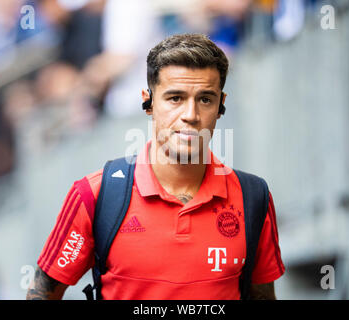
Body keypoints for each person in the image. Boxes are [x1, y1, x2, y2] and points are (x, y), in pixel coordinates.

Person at [26, 33, 285, 300]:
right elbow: (42, 294)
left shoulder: (253, 197)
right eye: (175, 98)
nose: (190, 115)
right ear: (148, 102)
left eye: (205, 99)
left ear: (221, 105)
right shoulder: (95, 195)